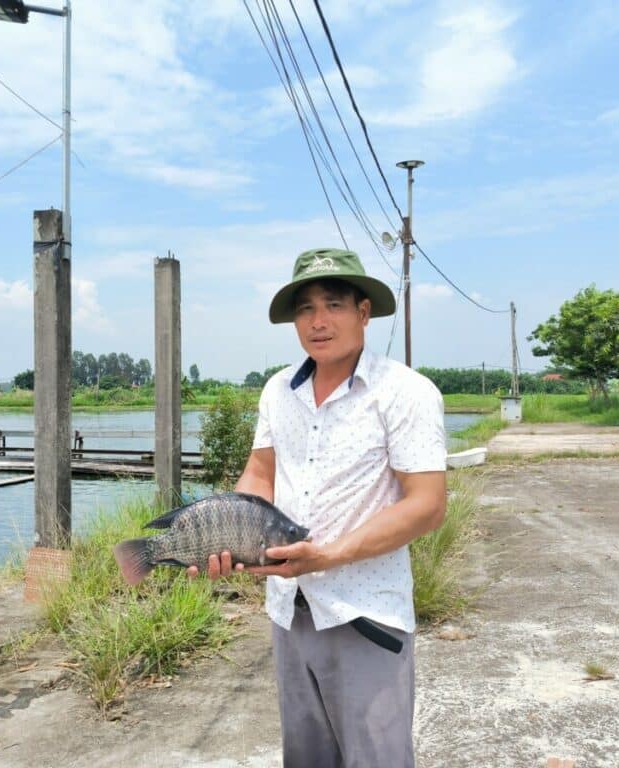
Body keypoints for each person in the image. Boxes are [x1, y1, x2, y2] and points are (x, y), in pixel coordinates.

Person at [188, 247, 448, 768]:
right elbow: (260, 474)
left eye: (333, 304)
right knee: (305, 759)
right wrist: (228, 539)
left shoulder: (404, 392)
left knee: (377, 759)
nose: (318, 321)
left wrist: (327, 555)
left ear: (363, 312)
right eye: (305, 308)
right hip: (289, 611)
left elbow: (427, 505)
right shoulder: (278, 390)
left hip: (365, 615)